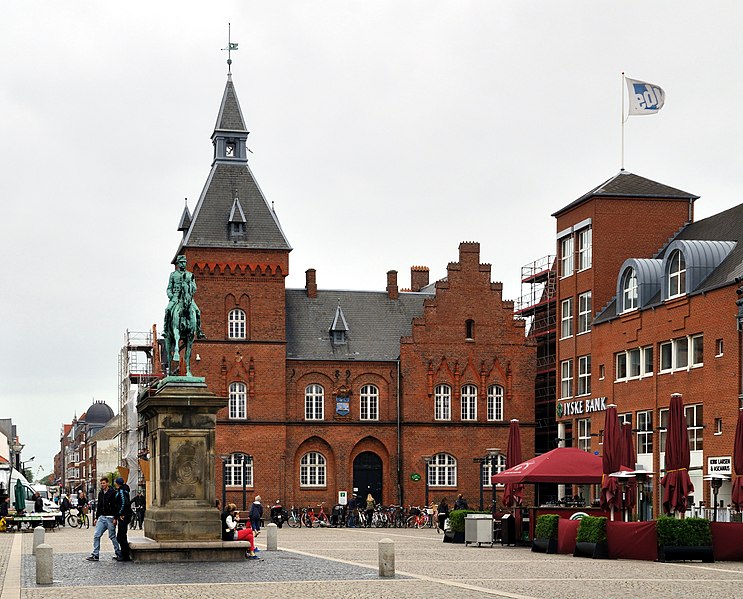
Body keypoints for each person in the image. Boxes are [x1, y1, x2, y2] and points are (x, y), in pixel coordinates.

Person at [86, 477, 122, 561]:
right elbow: (99, 506)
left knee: (112, 536)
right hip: (102, 517)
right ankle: (95, 554)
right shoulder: (100, 493)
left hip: (110, 517)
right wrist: (96, 517)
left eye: (104, 483)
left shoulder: (113, 493)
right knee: (96, 535)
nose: (102, 485)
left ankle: (118, 553)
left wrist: (115, 518)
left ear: (107, 483)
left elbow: (115, 506)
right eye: (101, 483)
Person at [113, 477, 132, 561]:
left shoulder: (122, 491)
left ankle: (125, 556)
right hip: (124, 515)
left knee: (121, 536)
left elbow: (124, 503)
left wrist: (121, 513)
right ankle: (123, 553)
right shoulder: (123, 490)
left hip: (124, 516)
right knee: (120, 536)